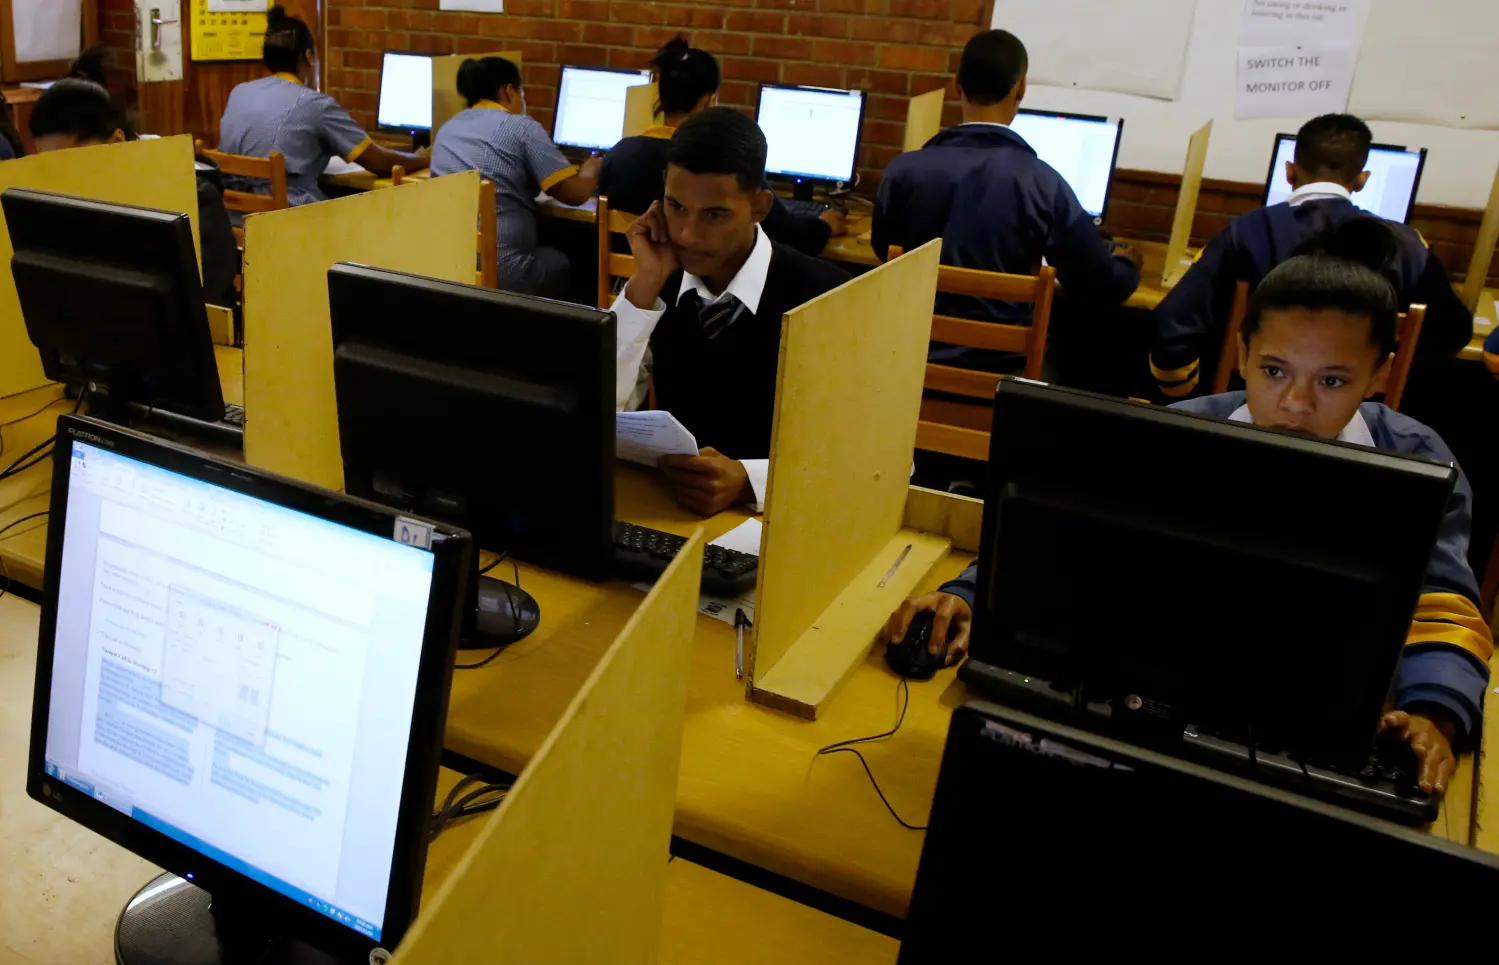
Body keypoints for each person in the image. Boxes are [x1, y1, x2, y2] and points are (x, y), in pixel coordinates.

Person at [887, 219, 1493, 797]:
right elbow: (1060, 533)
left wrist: (1435, 709)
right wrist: (969, 593)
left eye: (1332, 381)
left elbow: (1445, 603)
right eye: (1274, 369)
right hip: (1166, 702)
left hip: (1312, 725)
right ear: (1242, 350)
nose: (1295, 404)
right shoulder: (1177, 434)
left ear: (1379, 376)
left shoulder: (1417, 462)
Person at [611, 107, 849, 516]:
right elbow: (599, 406)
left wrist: (750, 480)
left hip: (780, 518)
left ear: (759, 206)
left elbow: (876, 461)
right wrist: (644, 286)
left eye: (714, 215)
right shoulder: (657, 285)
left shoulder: (829, 298)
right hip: (670, 511)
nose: (687, 233)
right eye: (675, 206)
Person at [1151, 113, 1474, 398]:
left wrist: (1182, 389)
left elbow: (1174, 323)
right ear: (1361, 180)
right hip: (1358, 410)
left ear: (1290, 172)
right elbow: (1453, 335)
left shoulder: (1246, 232)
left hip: (1252, 401)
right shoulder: (1409, 246)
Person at [872, 29, 1142, 331]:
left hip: (908, 356)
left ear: (956, 85)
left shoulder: (902, 171)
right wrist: (1126, 262)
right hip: (1002, 366)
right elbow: (1100, 285)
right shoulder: (1044, 183)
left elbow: (885, 252)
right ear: (1020, 88)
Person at [598, 36, 846, 255]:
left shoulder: (620, 154)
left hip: (626, 289)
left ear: (659, 96)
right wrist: (824, 225)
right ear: (709, 102)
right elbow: (792, 238)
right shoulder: (721, 164)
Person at [28, 77, 240, 310]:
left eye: (71, 163)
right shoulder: (69, 195)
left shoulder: (194, 195)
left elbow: (207, 301)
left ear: (118, 142)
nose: (62, 179)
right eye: (48, 165)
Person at [217, 5, 426, 207]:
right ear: (309, 57)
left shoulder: (239, 92)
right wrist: (420, 158)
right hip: (287, 221)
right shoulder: (315, 105)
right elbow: (378, 162)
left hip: (233, 219)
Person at [430, 56, 598, 298]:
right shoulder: (520, 127)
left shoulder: (446, 129)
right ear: (509, 91)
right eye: (523, 93)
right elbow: (574, 194)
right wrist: (591, 169)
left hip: (451, 265)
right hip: (502, 270)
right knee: (564, 259)